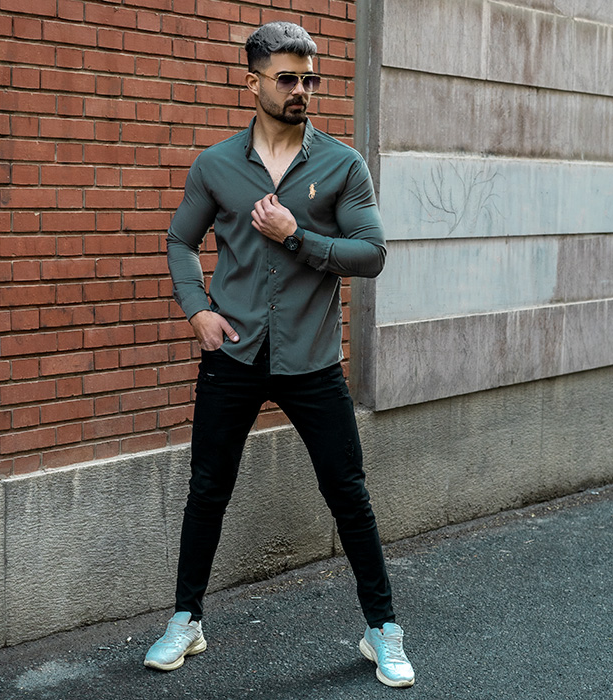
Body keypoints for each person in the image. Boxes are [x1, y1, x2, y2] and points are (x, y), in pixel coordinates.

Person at [143, 21, 415, 689]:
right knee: (208, 489)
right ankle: (186, 619)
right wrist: (197, 309)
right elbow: (180, 241)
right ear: (253, 82)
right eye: (287, 77)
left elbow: (372, 255)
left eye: (309, 78)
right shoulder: (214, 166)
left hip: (312, 359)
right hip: (233, 355)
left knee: (348, 494)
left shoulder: (342, 164)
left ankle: (382, 630)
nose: (301, 89)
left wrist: (297, 236)